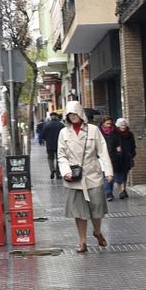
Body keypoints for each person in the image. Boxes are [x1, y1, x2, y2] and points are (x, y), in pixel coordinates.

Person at [57, 100, 113, 253]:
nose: (72, 116)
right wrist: (65, 171)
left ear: (80, 113)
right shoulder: (63, 133)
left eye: (75, 113)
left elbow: (102, 151)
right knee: (79, 212)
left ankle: (97, 231)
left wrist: (108, 171)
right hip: (74, 177)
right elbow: (61, 155)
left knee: (97, 208)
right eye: (69, 114)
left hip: (92, 174)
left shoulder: (93, 130)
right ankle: (82, 241)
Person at [111, 118, 136, 199]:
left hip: (126, 157)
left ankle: (124, 190)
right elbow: (111, 145)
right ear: (118, 125)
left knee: (125, 174)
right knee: (118, 175)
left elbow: (133, 146)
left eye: (125, 125)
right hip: (117, 158)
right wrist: (116, 150)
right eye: (121, 125)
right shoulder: (114, 134)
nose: (123, 126)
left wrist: (131, 154)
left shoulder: (130, 134)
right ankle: (121, 191)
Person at [39, 111, 63, 179]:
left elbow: (42, 135)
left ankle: (52, 169)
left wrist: (43, 140)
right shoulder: (61, 125)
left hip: (49, 145)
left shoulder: (46, 125)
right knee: (59, 159)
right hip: (59, 144)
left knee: (50, 158)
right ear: (56, 117)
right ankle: (58, 173)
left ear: (51, 117)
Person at [99, 116, 117, 197]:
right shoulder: (99, 132)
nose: (109, 125)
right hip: (102, 157)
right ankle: (108, 192)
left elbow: (118, 141)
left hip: (113, 156)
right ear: (103, 123)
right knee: (105, 174)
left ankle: (110, 191)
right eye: (107, 123)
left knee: (111, 175)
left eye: (110, 123)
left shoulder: (115, 131)